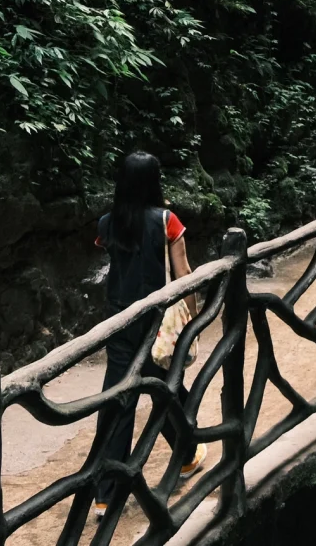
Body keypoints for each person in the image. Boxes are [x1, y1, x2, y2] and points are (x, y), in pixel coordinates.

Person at [93, 151, 204, 518]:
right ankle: (187, 455)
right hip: (155, 322)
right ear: (154, 182)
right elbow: (184, 271)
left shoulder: (108, 223)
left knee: (119, 400)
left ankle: (106, 493)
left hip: (119, 322)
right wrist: (195, 311)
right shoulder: (167, 221)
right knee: (166, 388)